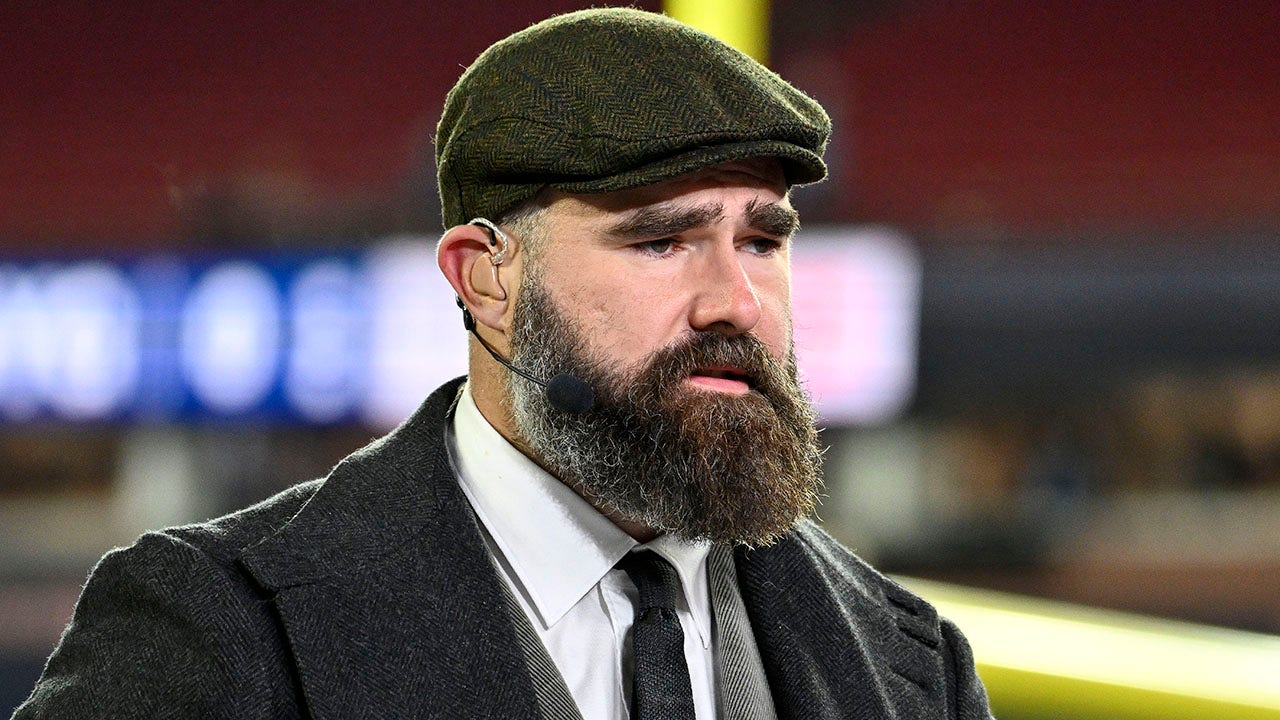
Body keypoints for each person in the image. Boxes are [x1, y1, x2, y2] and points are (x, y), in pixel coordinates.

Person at [14, 8, 992, 720]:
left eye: (763, 241)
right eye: (660, 241)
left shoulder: (909, 664)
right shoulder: (211, 627)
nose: (735, 301)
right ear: (485, 278)